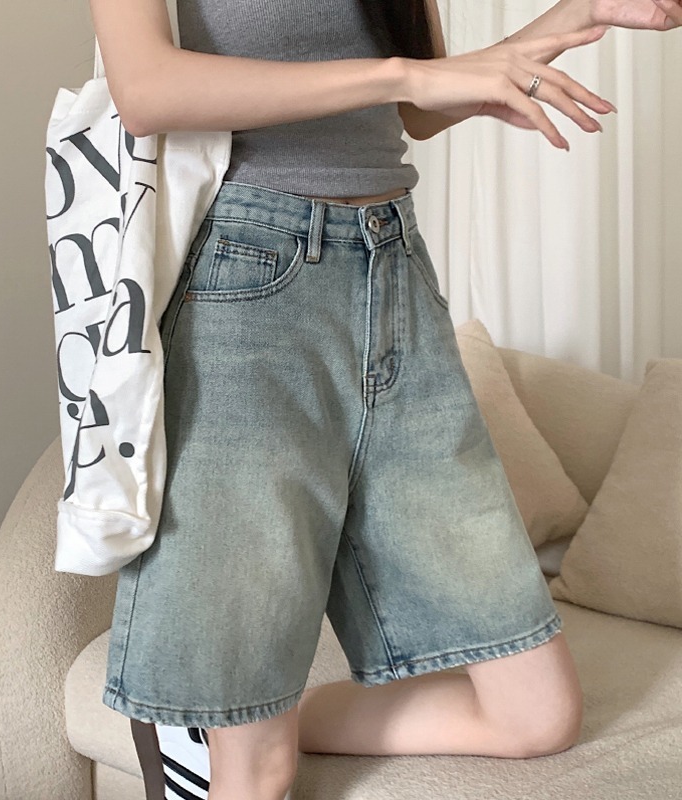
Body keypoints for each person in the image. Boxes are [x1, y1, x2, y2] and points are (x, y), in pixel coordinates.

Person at [89, 1, 681, 798]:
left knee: (536, 715)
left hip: (392, 267)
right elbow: (148, 89)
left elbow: (417, 106)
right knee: (259, 772)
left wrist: (571, 16)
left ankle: (216, 726)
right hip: (245, 285)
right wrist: (405, 75)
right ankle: (235, 736)